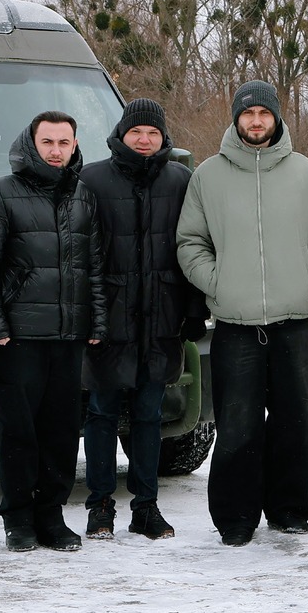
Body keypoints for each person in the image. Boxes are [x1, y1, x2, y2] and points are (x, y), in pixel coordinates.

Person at [176, 80, 308, 545]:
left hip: (293, 323)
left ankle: (288, 510)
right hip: (236, 325)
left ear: (276, 118)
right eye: (248, 113)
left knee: (293, 422)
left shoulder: (305, 172)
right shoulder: (209, 175)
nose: (256, 121)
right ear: (236, 118)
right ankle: (235, 518)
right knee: (237, 424)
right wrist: (219, 284)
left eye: (264, 113)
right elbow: (190, 241)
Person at [0, 111, 107, 553]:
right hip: (19, 336)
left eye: (63, 142)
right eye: (47, 142)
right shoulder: (0, 193)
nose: (55, 150)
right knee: (18, 433)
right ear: (31, 143)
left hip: (68, 336)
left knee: (61, 432)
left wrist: (96, 321)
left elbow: (94, 266)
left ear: (74, 146)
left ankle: (51, 515)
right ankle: (18, 519)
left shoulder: (83, 196)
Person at [79, 98, 204, 543]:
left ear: (163, 136)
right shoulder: (91, 179)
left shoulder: (181, 180)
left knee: (150, 415)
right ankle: (99, 506)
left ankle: (146, 507)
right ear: (122, 134)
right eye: (137, 132)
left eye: (153, 132)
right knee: (101, 414)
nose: (145, 140)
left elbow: (194, 246)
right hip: (108, 319)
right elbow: (80, 252)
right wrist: (88, 316)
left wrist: (194, 311)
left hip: (161, 316)